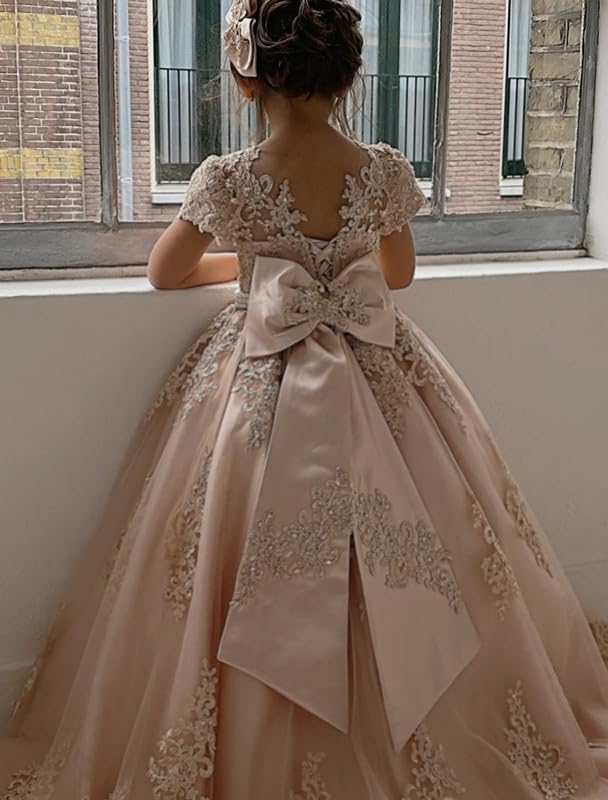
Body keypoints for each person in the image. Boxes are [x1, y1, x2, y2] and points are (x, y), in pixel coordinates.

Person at [1, 0, 608, 797]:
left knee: (225, 540)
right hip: (379, 368)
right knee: (424, 537)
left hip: (259, 370)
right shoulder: (383, 170)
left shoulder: (229, 178)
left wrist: (257, 268)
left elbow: (164, 272)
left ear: (249, 81)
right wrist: (321, 271)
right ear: (347, 77)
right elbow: (396, 275)